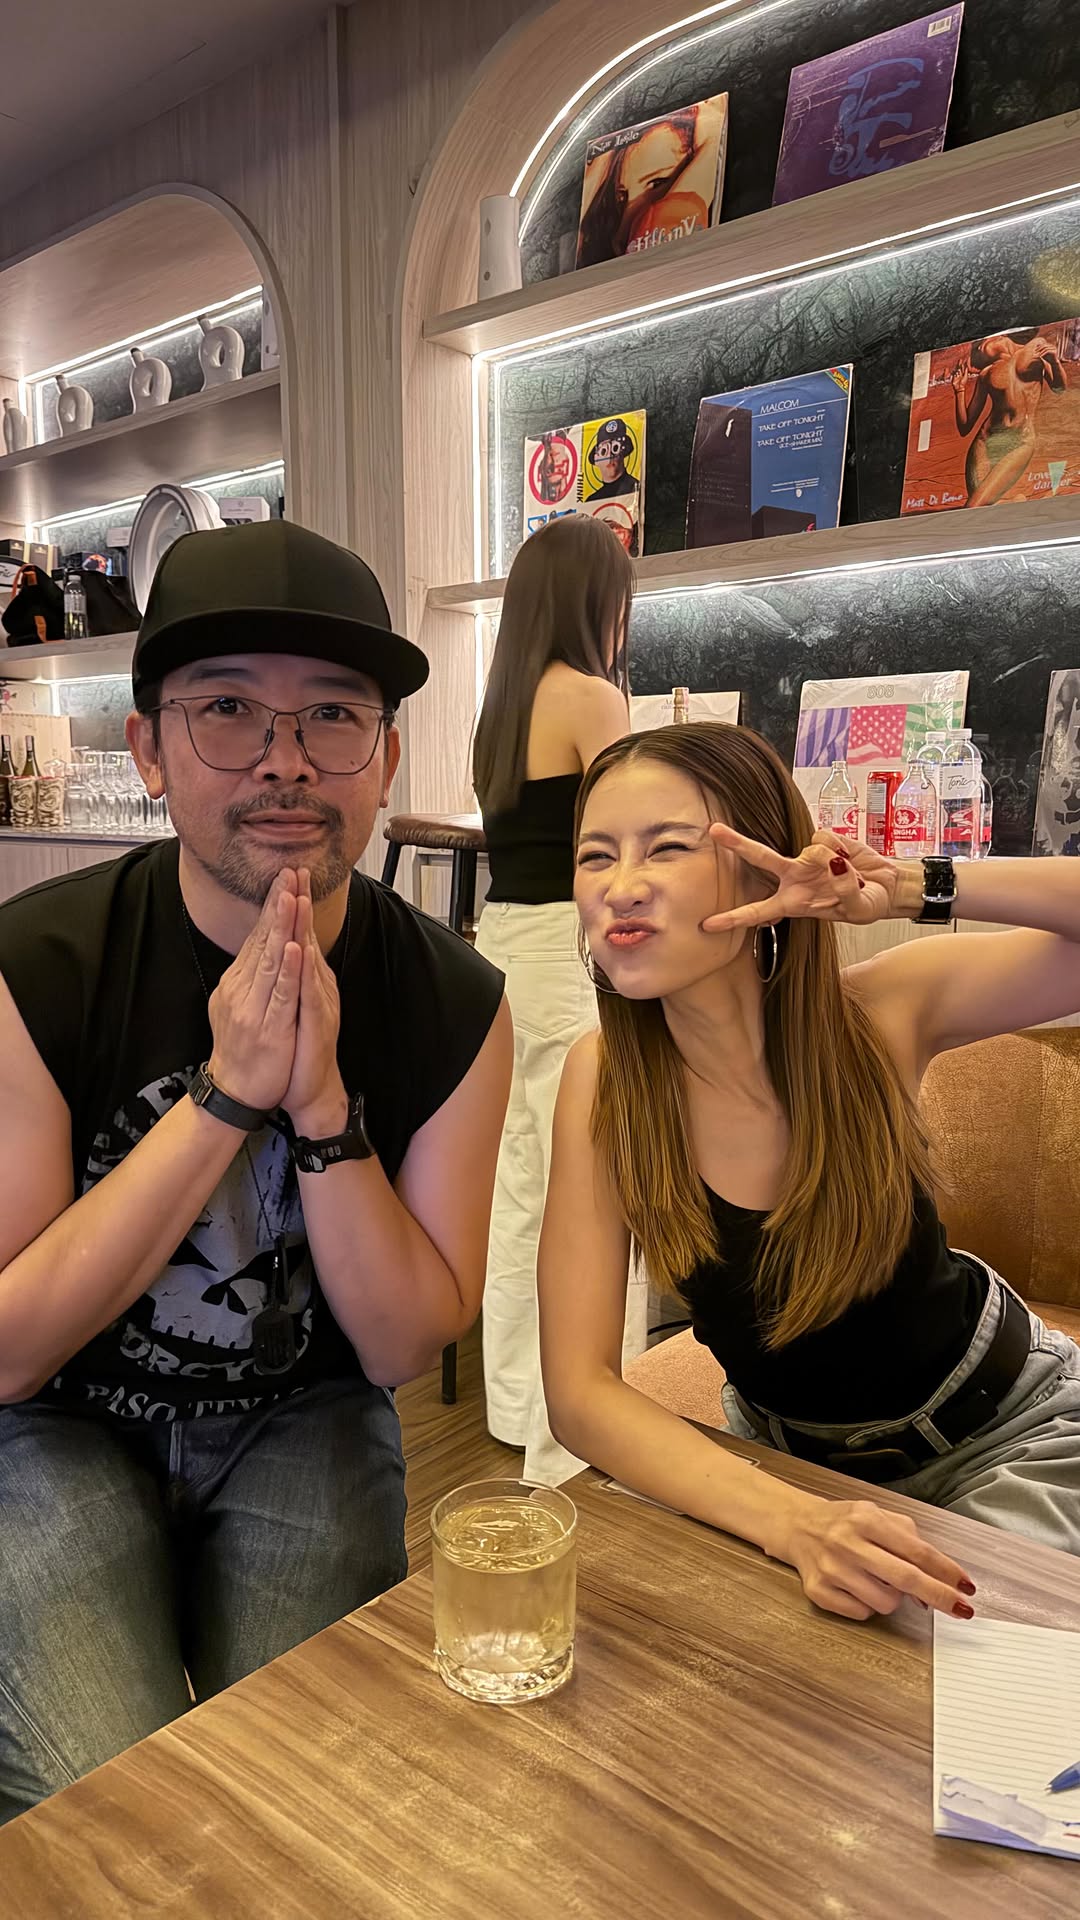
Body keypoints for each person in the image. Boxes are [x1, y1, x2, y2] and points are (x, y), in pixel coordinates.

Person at [0, 518, 511, 1823]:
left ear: (387, 757)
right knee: (103, 1812)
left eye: (334, 714)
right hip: (60, 1423)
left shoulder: (458, 1000)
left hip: (307, 1415)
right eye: (227, 709)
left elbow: (401, 1345)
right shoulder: (35, 968)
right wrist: (227, 1093)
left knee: (307, 1806)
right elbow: (8, 1352)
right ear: (149, 750)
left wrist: (324, 1105)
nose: (286, 761)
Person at [539, 722, 1080, 1621]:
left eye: (667, 847)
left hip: (1007, 1434)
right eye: (596, 855)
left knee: (962, 1681)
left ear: (764, 869)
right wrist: (794, 1520)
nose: (620, 886)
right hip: (793, 1468)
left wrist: (906, 885)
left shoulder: (877, 1013)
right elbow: (579, 1392)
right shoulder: (603, 1079)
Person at [472, 515, 645, 1481]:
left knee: (519, 1189)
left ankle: (517, 1407)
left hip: (501, 947)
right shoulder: (592, 697)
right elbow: (632, 837)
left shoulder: (499, 707)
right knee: (589, 1194)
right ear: (595, 601)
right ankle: (578, 1434)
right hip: (566, 955)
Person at [951, 329, 1068, 508]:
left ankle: (1016, 502)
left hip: (1020, 441)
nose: (981, 348)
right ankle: (1016, 502)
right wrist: (959, 390)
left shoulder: (1037, 350)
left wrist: (1055, 362)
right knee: (984, 507)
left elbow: (1059, 388)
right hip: (985, 441)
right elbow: (965, 426)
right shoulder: (986, 374)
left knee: (974, 507)